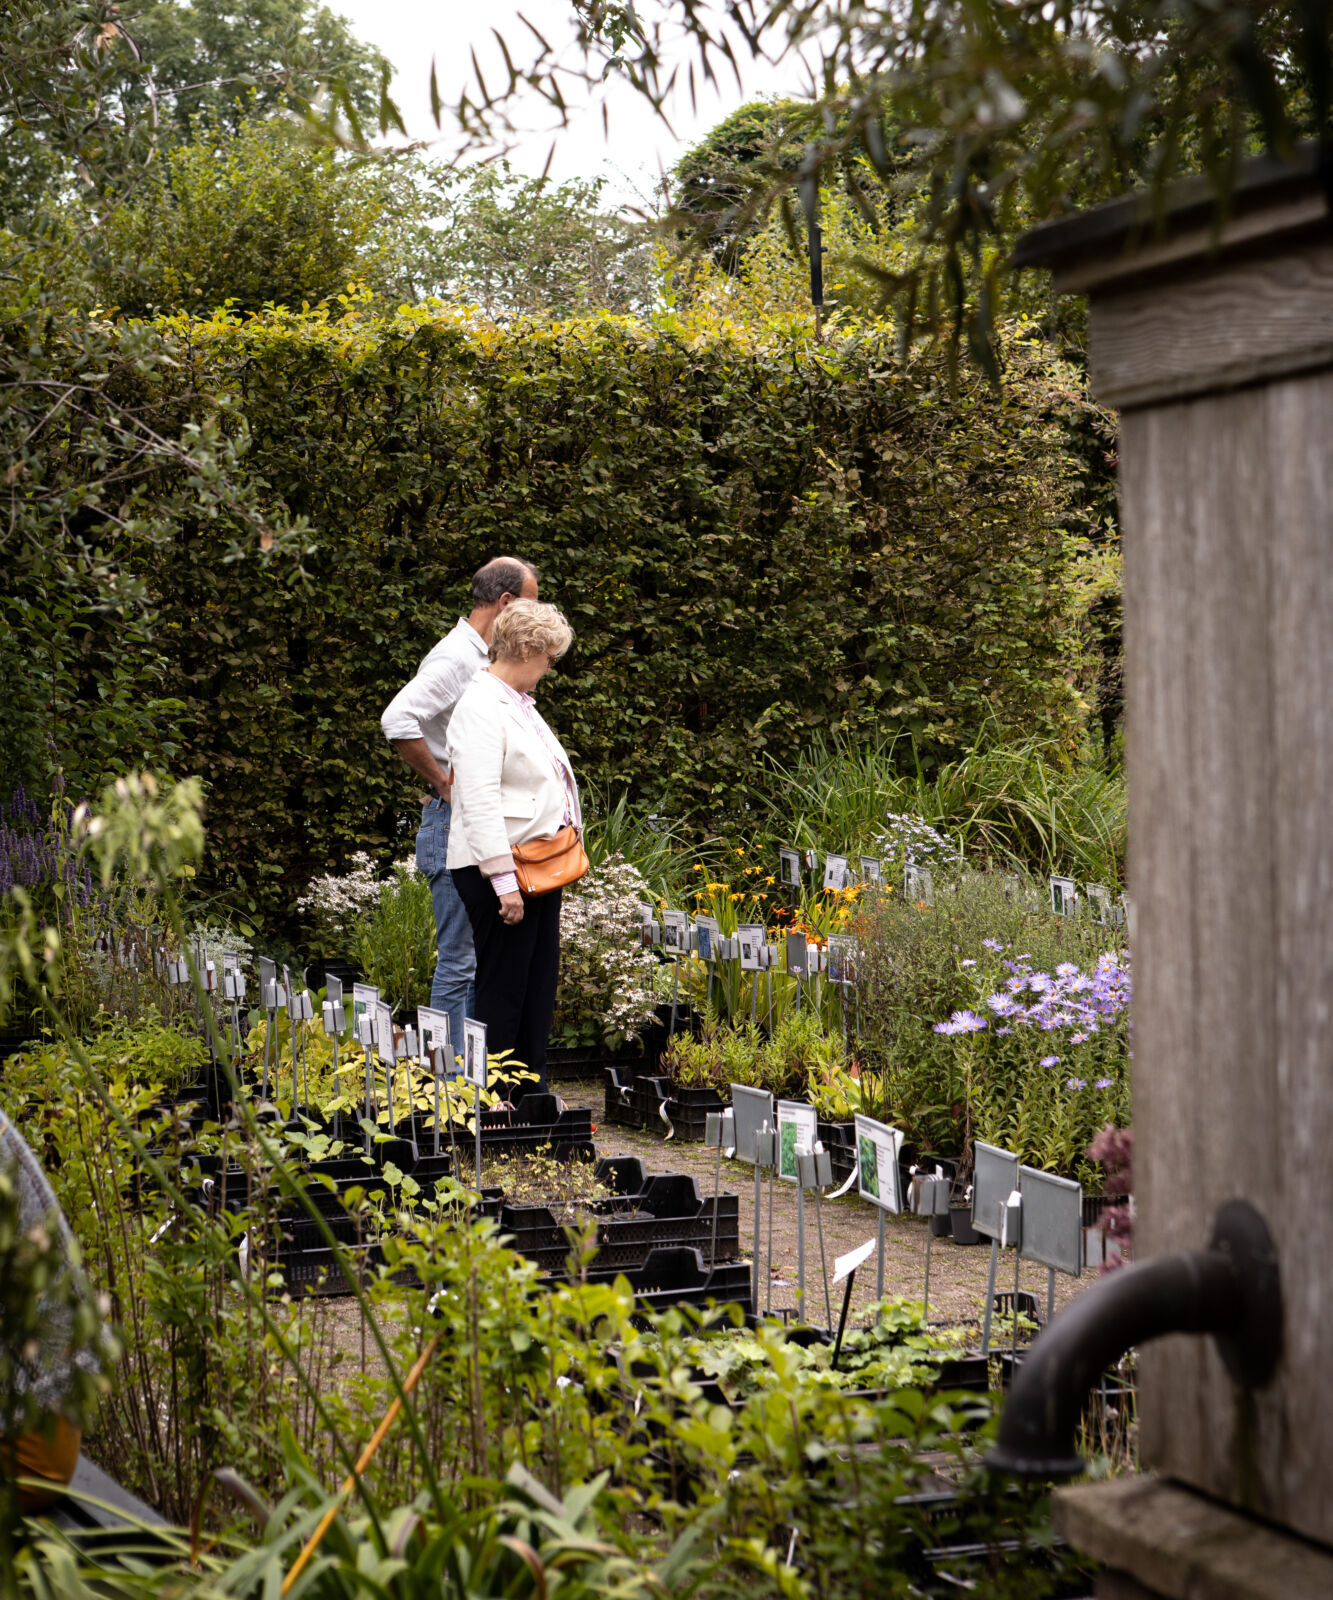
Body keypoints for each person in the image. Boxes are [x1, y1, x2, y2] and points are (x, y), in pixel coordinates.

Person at [380, 557, 538, 1061]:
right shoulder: (456, 658)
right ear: (507, 602)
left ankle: (470, 1080)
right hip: (452, 821)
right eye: (531, 603)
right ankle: (445, 1085)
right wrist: (445, 784)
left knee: (476, 958)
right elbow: (398, 718)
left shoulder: (485, 657)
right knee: (460, 960)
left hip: (472, 822)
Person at [446, 599, 579, 1094]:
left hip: (538, 865)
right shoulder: (480, 704)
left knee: (537, 984)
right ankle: (494, 1101)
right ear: (527, 648)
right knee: (504, 990)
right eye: (548, 657)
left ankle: (531, 1093)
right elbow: (477, 800)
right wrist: (503, 883)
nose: (550, 668)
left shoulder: (514, 700)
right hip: (502, 872)